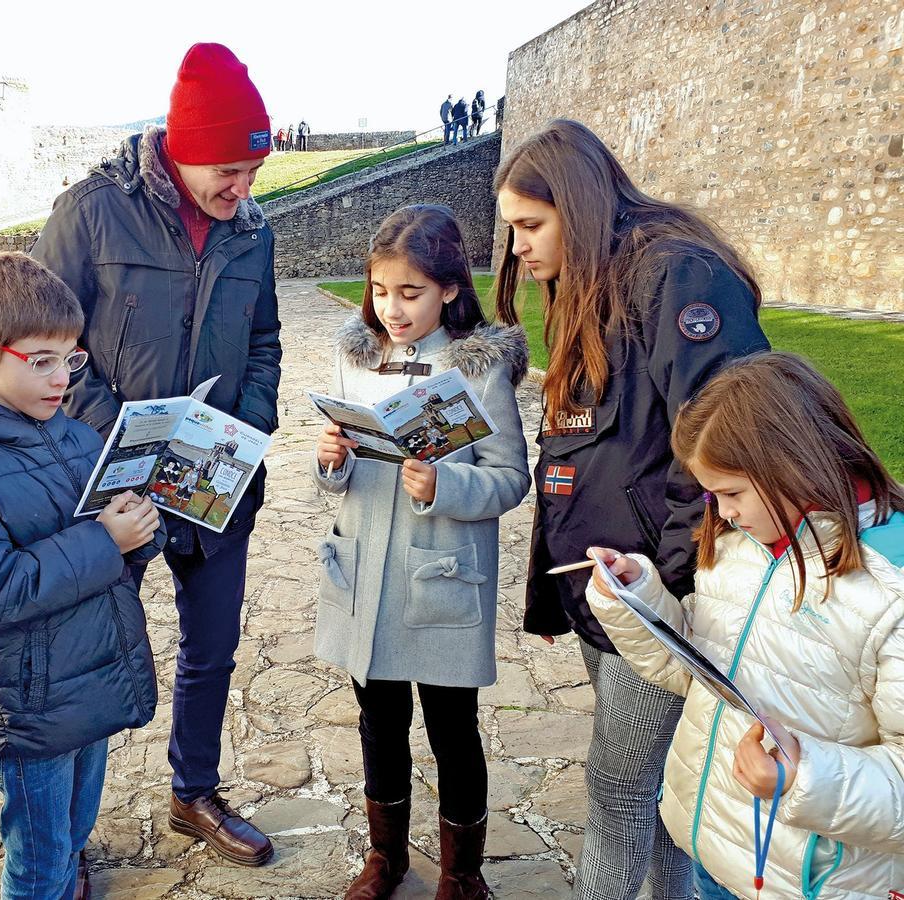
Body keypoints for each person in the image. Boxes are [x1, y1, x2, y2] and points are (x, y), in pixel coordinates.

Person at [493, 119, 770, 900]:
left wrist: (671, 590)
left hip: (655, 593)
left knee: (618, 790)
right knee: (662, 789)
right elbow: (579, 449)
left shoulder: (675, 277)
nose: (517, 248)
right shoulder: (587, 284)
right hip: (608, 583)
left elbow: (725, 443)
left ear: (577, 210)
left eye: (530, 225)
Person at [32, 42, 282, 867]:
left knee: (213, 649)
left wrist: (245, 431)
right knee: (92, 652)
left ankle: (193, 792)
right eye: (229, 170)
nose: (242, 191)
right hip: (117, 480)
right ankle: (65, 837)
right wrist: (117, 427)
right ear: (181, 145)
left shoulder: (252, 232)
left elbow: (266, 341)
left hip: (218, 476)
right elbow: (45, 341)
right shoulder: (91, 211)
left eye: (252, 172)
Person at [585, 352, 904, 900]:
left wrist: (802, 778)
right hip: (719, 852)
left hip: (813, 880)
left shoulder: (889, 588)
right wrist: (637, 597)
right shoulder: (738, 547)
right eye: (714, 496)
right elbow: (704, 676)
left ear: (792, 464)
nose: (722, 513)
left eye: (731, 493)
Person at [0, 251, 164, 900]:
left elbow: (117, 551)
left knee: (73, 829)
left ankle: (70, 876)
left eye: (70, 359)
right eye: (42, 360)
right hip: (31, 703)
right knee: (37, 856)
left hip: (93, 675)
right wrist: (103, 541)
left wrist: (143, 523)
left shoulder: (76, 436)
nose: (62, 378)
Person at [314, 204, 531, 900]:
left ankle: (463, 875)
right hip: (365, 578)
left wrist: (446, 482)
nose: (392, 309)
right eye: (380, 291)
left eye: (410, 293)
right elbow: (334, 477)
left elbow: (510, 479)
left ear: (448, 288)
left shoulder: (478, 371)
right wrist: (330, 461)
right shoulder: (357, 357)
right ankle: (386, 858)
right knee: (379, 724)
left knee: (452, 730)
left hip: (436, 578)